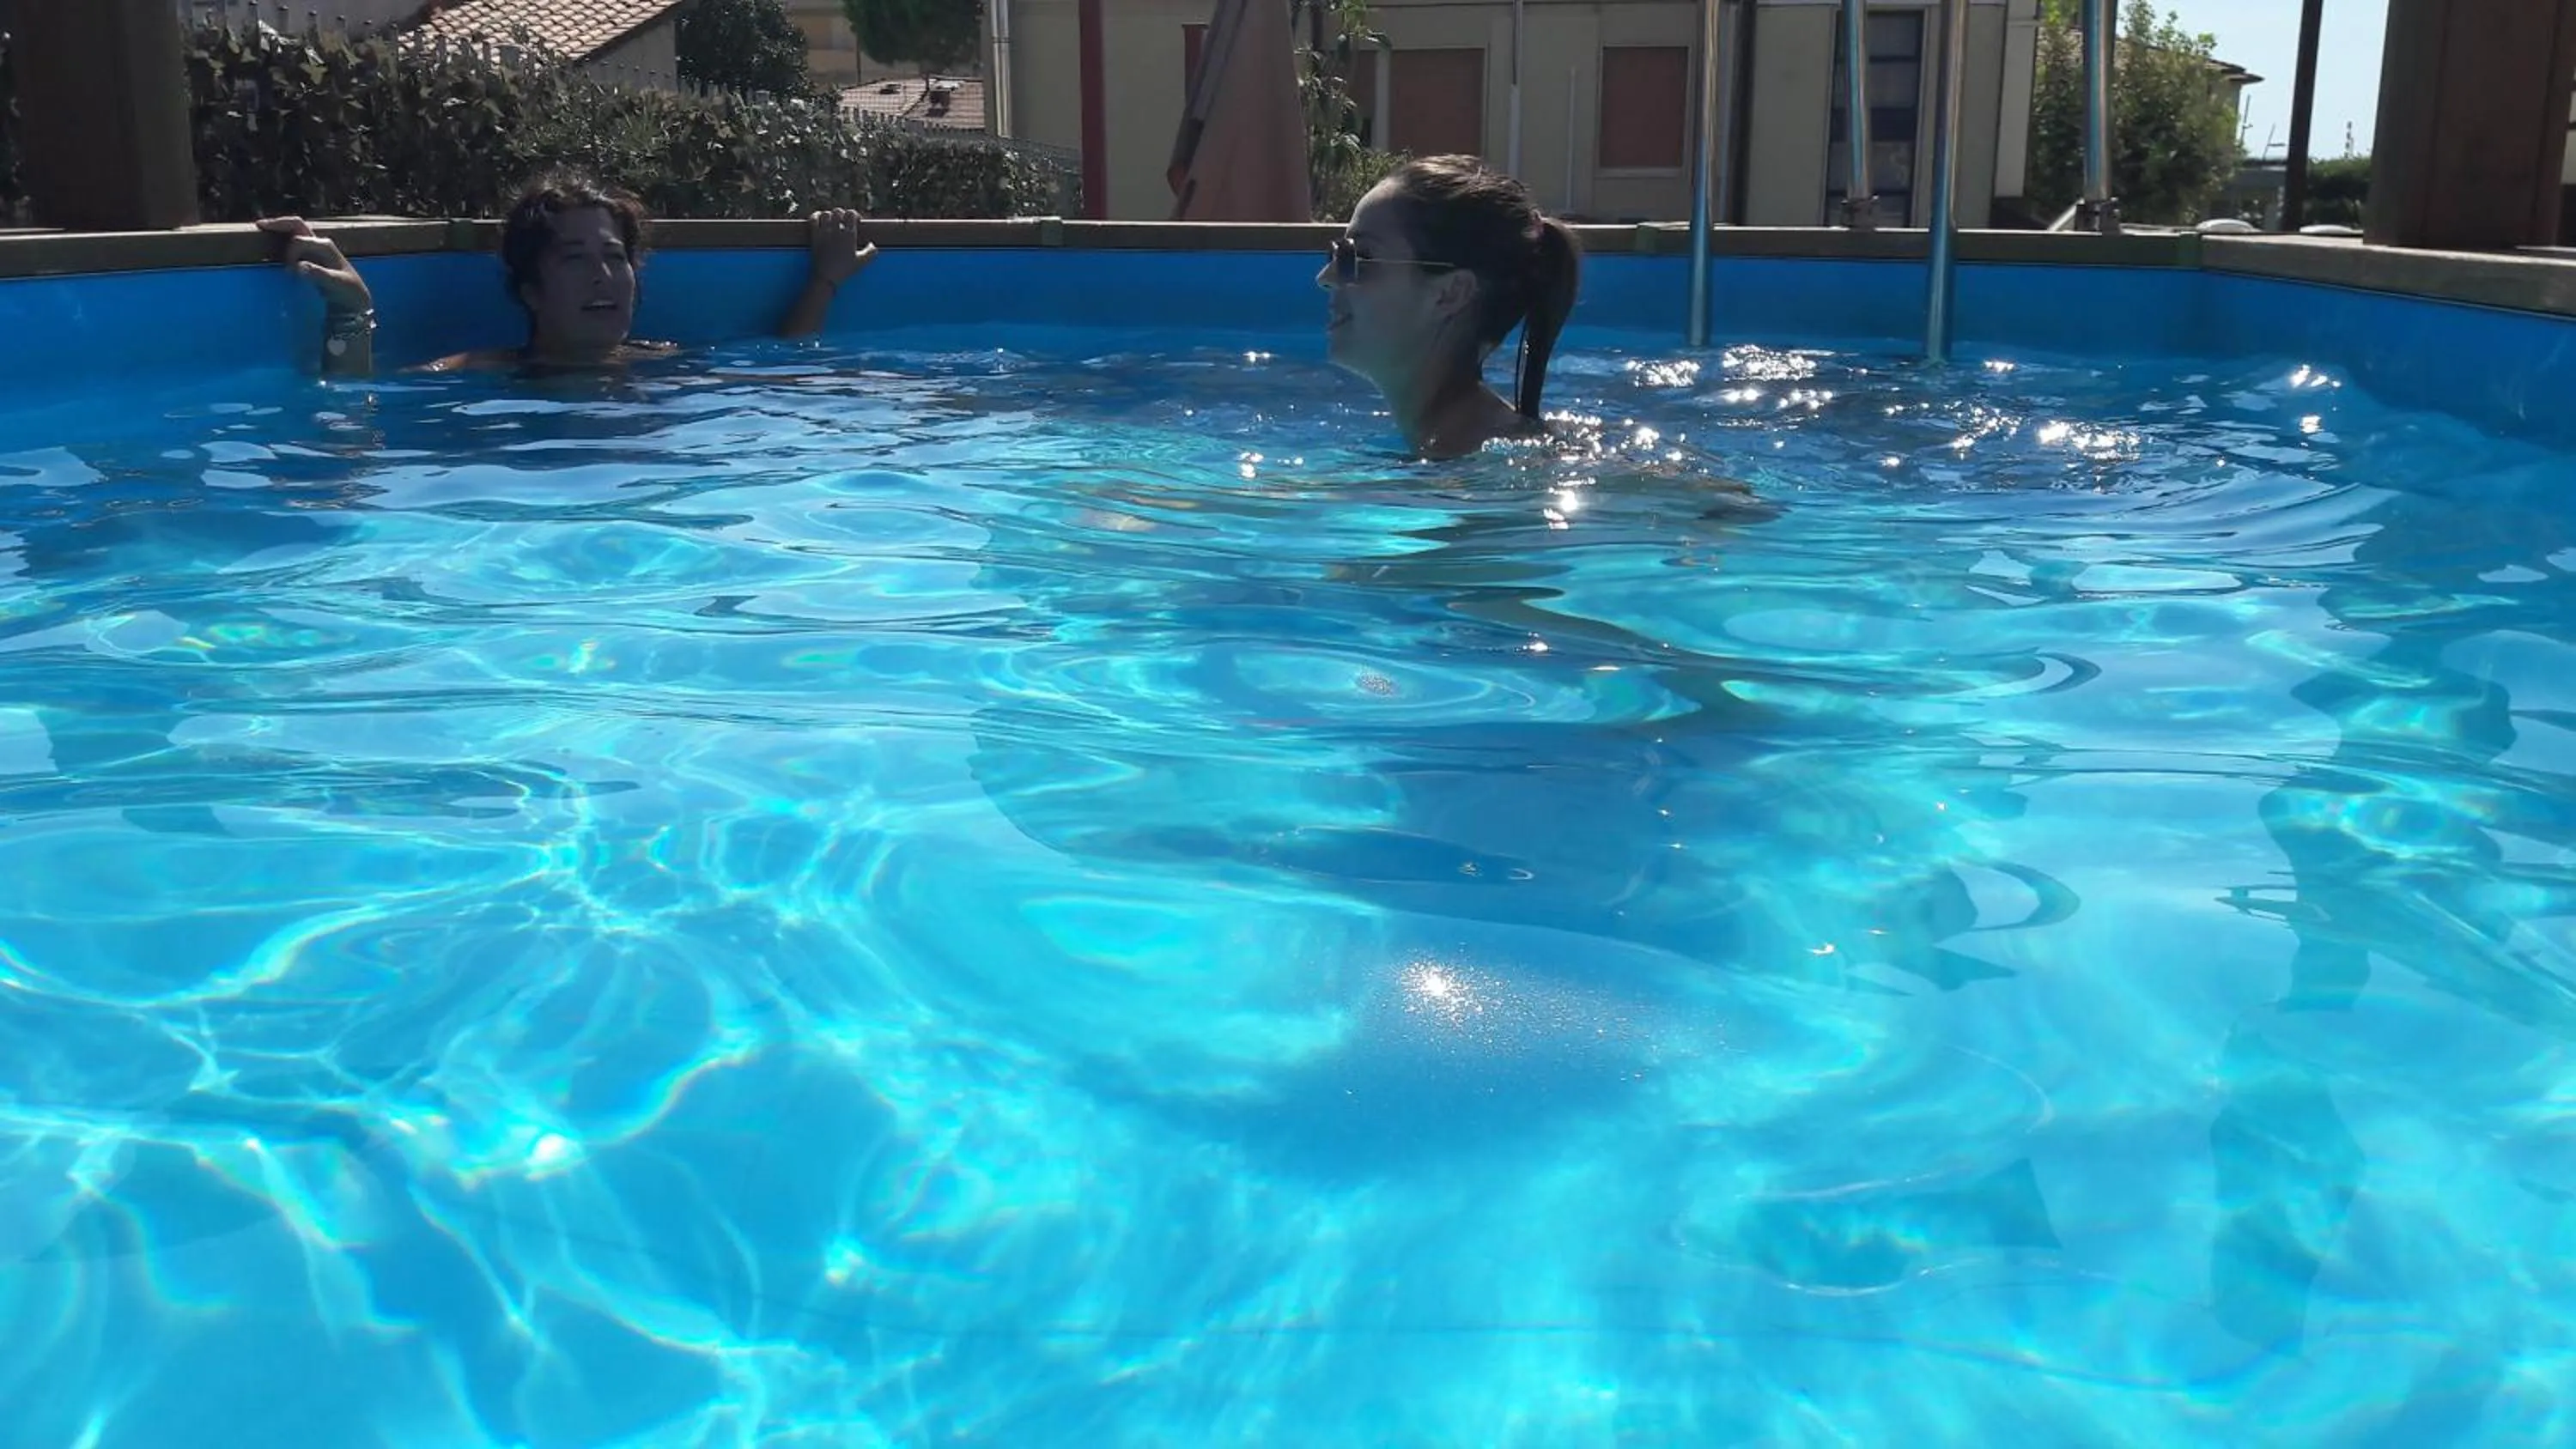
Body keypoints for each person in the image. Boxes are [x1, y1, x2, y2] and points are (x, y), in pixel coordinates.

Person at [258, 172, 875, 377]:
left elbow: (793, 369)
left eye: (615, 258)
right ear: (530, 288)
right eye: (576, 261)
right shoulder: (473, 374)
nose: (604, 277)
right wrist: (352, 314)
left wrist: (825, 279)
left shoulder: (661, 363)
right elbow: (354, 407)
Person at [1316, 155, 1583, 460]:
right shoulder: (1460, 451)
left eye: (1356, 257)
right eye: (1335, 255)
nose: (1325, 278)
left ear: (1450, 293)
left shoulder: (1472, 471)